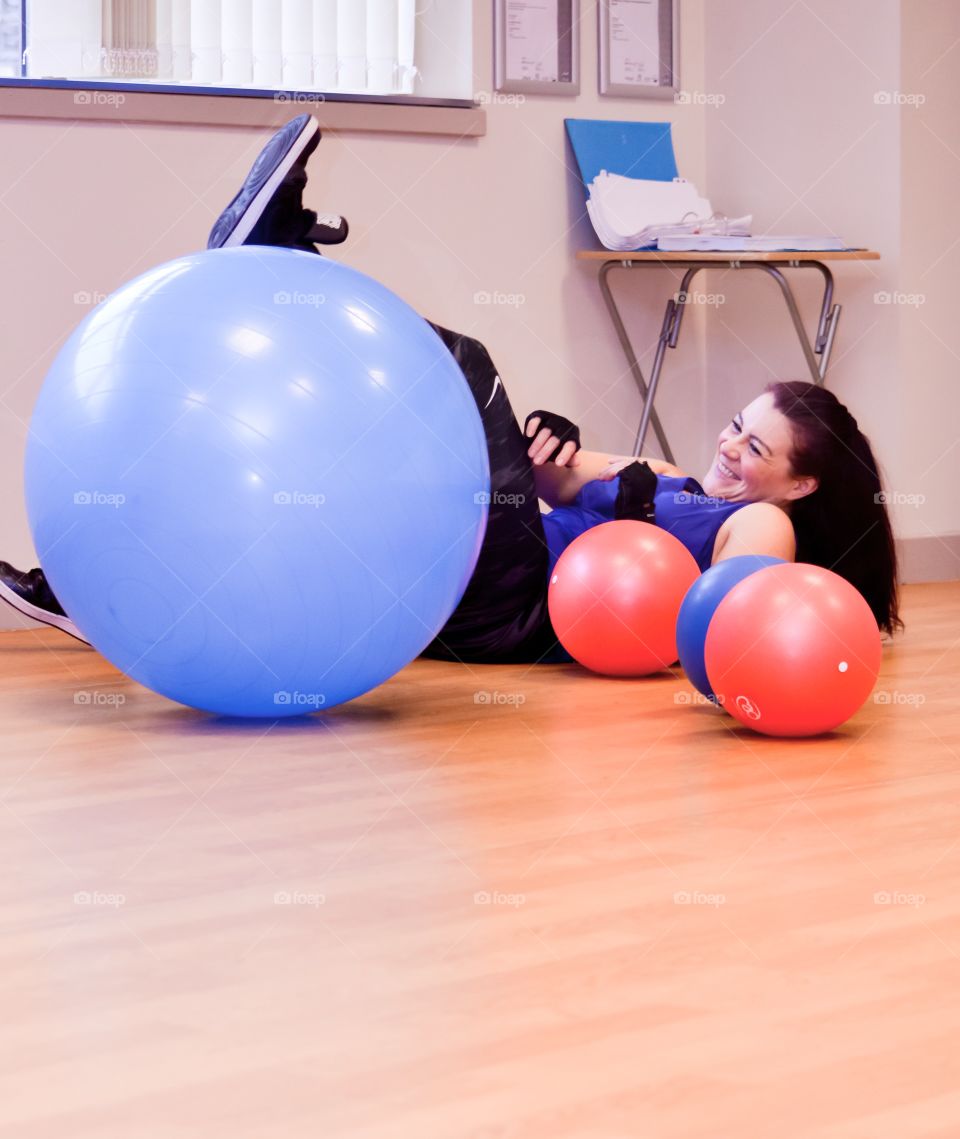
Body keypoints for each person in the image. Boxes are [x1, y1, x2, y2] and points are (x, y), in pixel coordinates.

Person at [0, 115, 901, 661]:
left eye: (757, 447)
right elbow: (560, 477)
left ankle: (276, 254)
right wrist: (549, 447)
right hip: (478, 574)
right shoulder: (686, 474)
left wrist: (641, 530)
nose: (730, 450)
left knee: (462, 363)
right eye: (736, 426)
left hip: (518, 608)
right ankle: (88, 598)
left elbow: (731, 612)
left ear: (803, 483)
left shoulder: (767, 522)